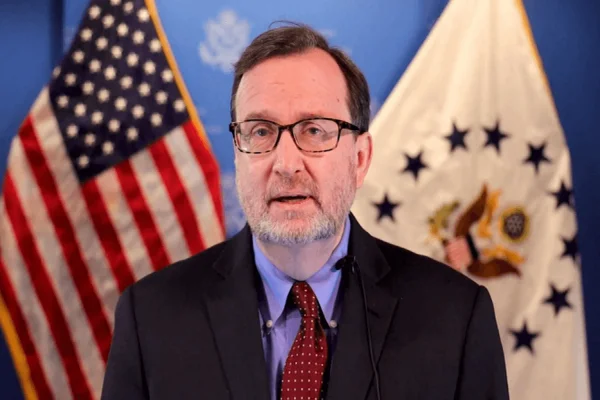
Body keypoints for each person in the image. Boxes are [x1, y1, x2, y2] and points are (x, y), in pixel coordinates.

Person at [101, 23, 509, 400]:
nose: (286, 163)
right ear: (238, 155)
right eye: (261, 131)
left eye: (314, 130)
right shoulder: (150, 318)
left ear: (360, 159)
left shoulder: (455, 316)